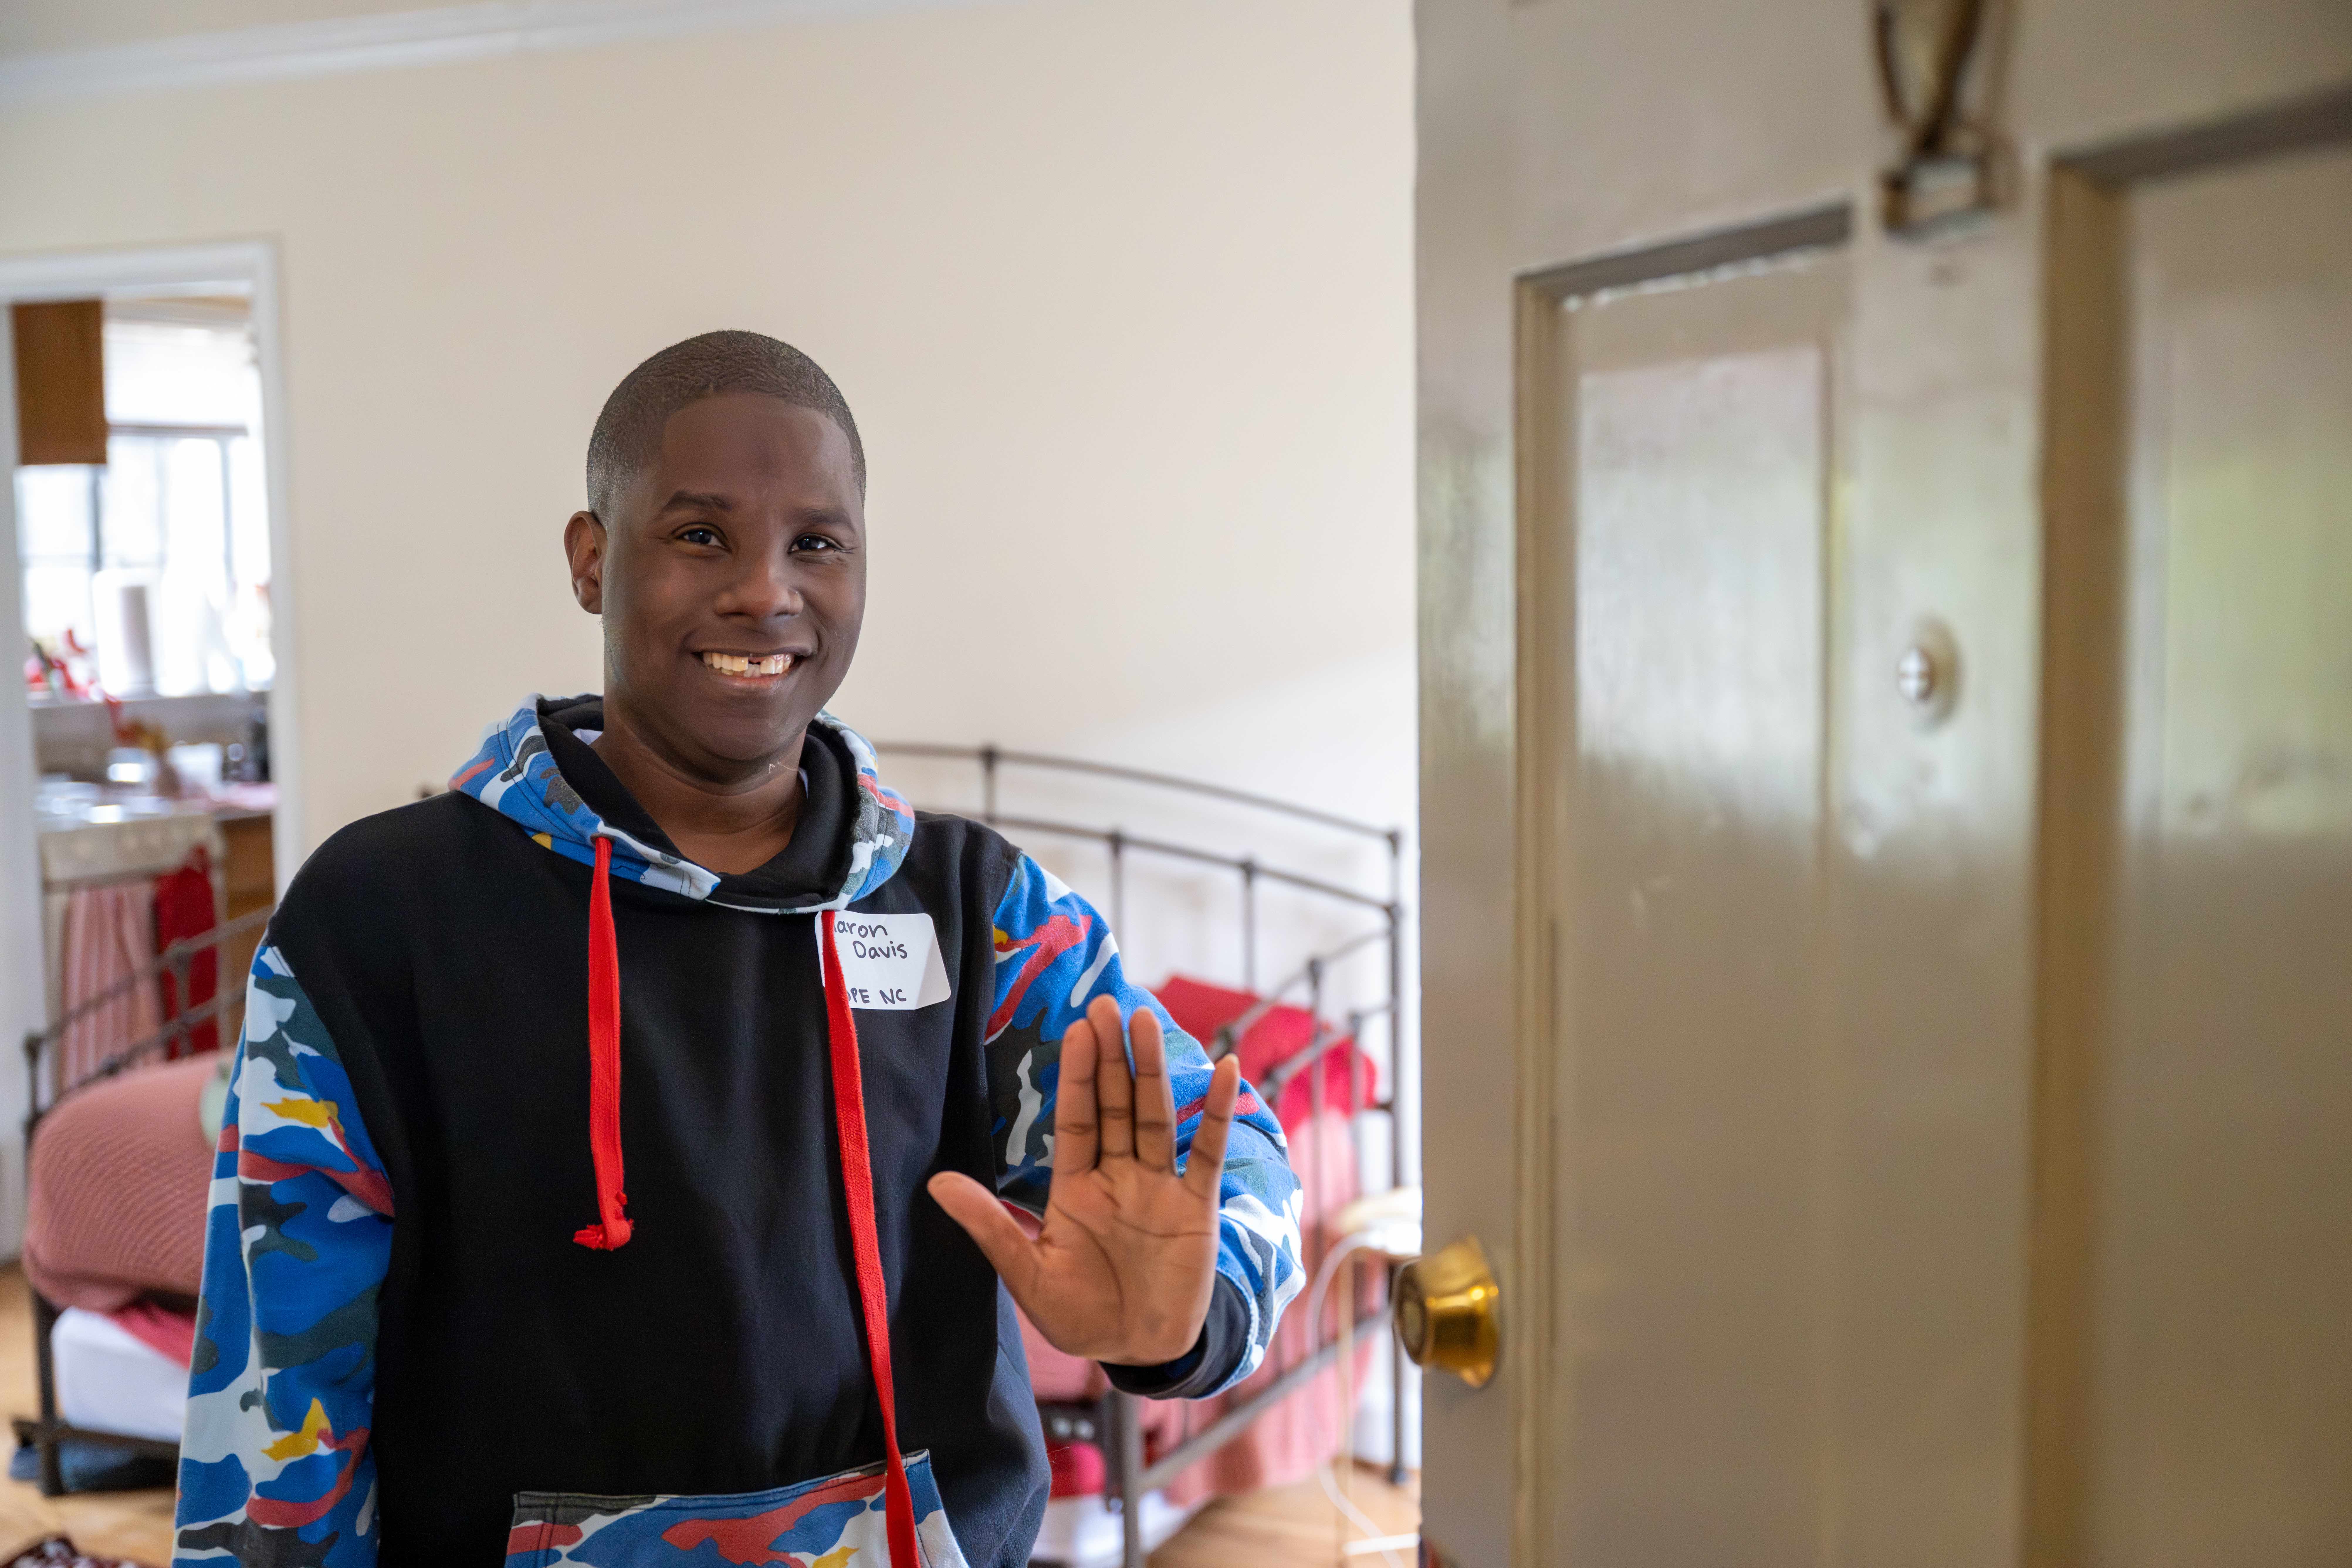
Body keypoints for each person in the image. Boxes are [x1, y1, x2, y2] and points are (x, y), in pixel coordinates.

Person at [171, 331, 1304, 1567]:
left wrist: (1189, 1320)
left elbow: (1214, 1141)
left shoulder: (975, 906)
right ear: (593, 559)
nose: (766, 590)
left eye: (817, 542)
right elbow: (279, 1393)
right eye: (701, 534)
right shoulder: (387, 915)